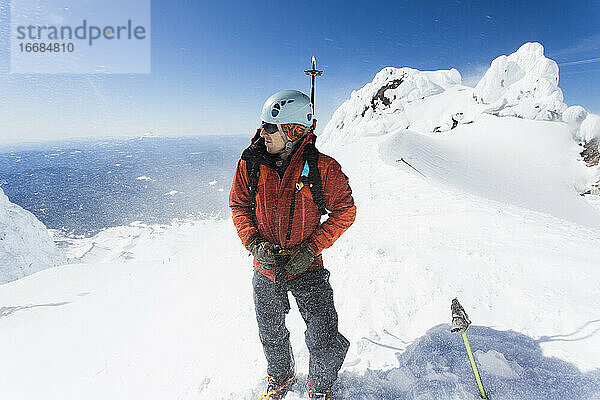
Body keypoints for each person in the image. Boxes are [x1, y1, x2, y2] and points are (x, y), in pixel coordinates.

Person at [229, 90, 357, 399]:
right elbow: (238, 205)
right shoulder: (251, 163)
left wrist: (311, 249)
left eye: (271, 127)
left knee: (324, 336)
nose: (263, 132)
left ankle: (320, 387)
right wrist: (254, 243)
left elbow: (345, 211)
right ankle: (281, 377)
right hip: (267, 268)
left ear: (294, 131)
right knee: (271, 333)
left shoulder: (323, 169)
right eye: (263, 125)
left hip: (307, 268)